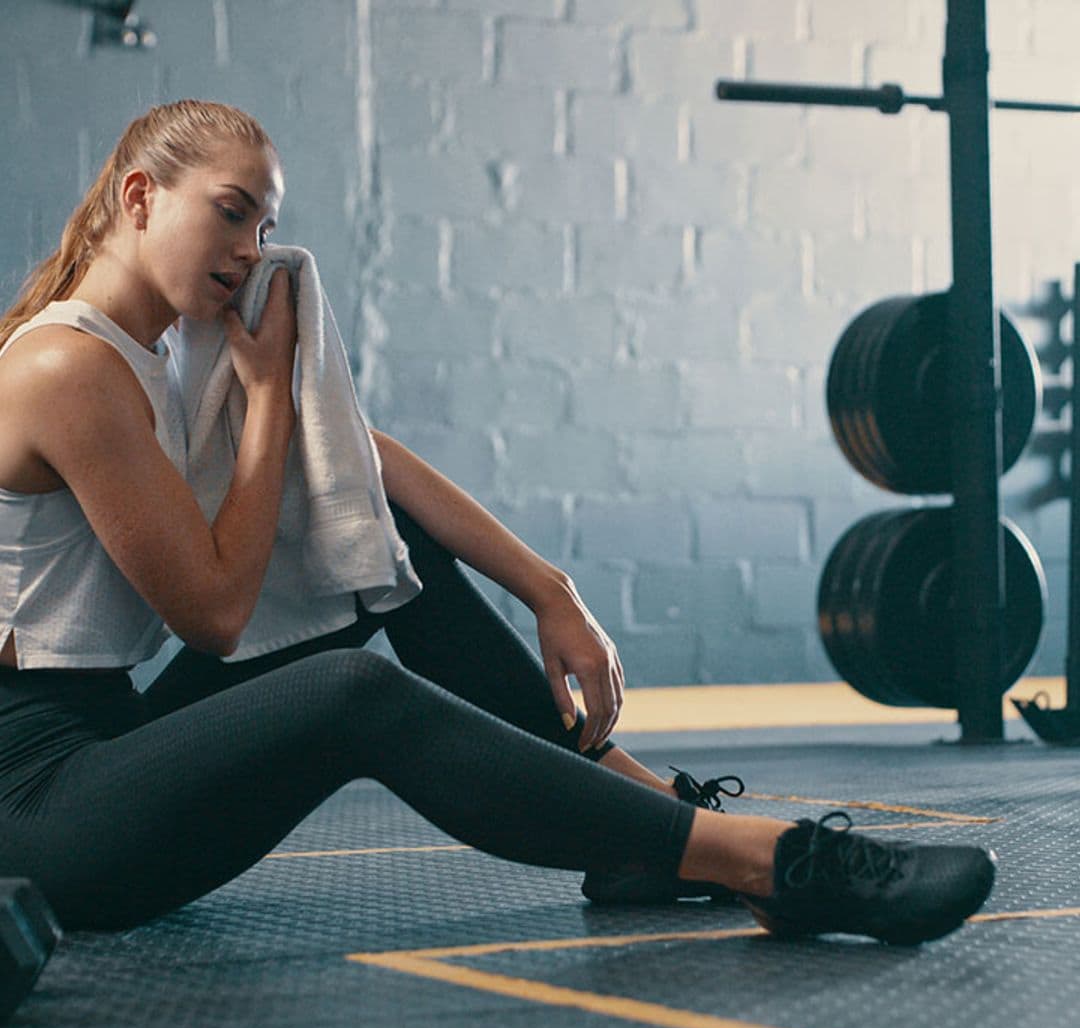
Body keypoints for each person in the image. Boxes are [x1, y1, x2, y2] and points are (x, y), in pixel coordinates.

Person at [0, 100, 995, 944]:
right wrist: (265, 402)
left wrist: (548, 591)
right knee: (351, 693)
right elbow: (215, 617)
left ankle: (643, 823)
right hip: (43, 818)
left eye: (265, 224)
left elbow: (360, 469)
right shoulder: (69, 366)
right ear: (139, 197)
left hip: (109, 742)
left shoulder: (165, 350)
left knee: (359, 542)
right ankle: (771, 865)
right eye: (231, 214)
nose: (253, 251)